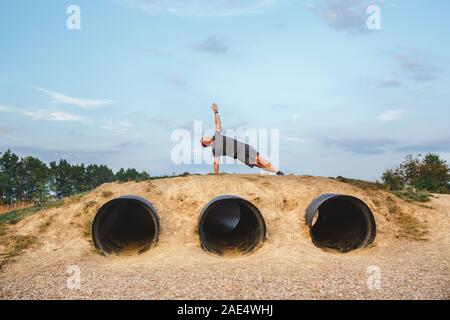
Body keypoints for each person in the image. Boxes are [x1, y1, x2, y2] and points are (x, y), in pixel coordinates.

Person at [200, 103, 285, 176]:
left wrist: (216, 112)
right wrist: (216, 177)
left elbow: (217, 124)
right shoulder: (215, 150)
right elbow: (216, 163)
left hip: (243, 147)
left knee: (260, 160)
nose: (207, 136)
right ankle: (276, 173)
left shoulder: (216, 135)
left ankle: (278, 172)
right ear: (206, 144)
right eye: (205, 138)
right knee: (257, 164)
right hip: (240, 156)